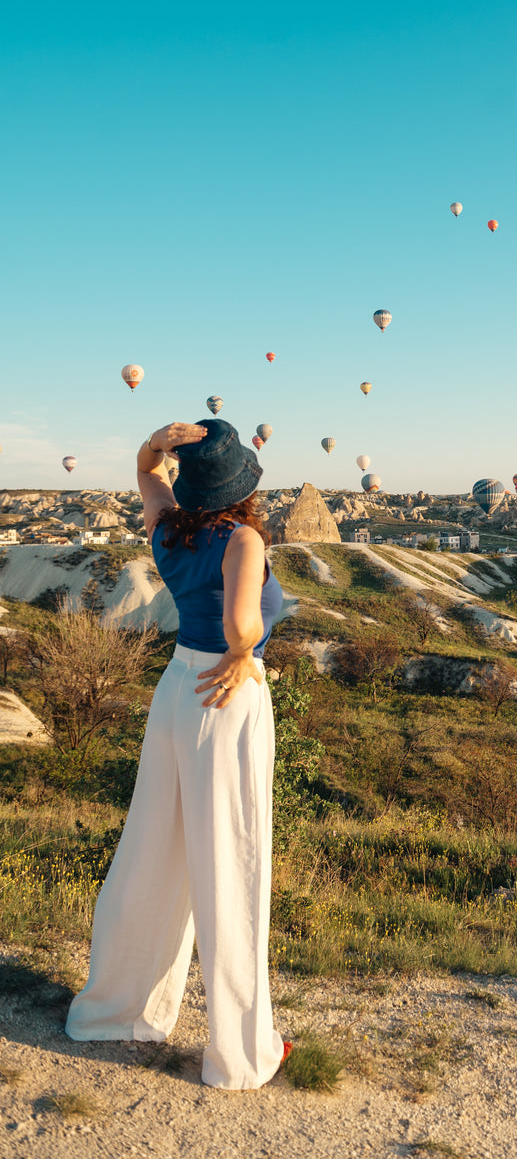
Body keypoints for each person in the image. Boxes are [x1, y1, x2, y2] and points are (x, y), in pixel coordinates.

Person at [66, 418, 288, 1089]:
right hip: (224, 695)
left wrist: (158, 443)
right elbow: (244, 622)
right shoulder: (243, 537)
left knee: (151, 852)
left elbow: (145, 473)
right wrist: (243, 650)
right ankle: (242, 1052)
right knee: (233, 865)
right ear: (243, 485)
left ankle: (117, 1009)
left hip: (173, 693)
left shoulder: (169, 526)